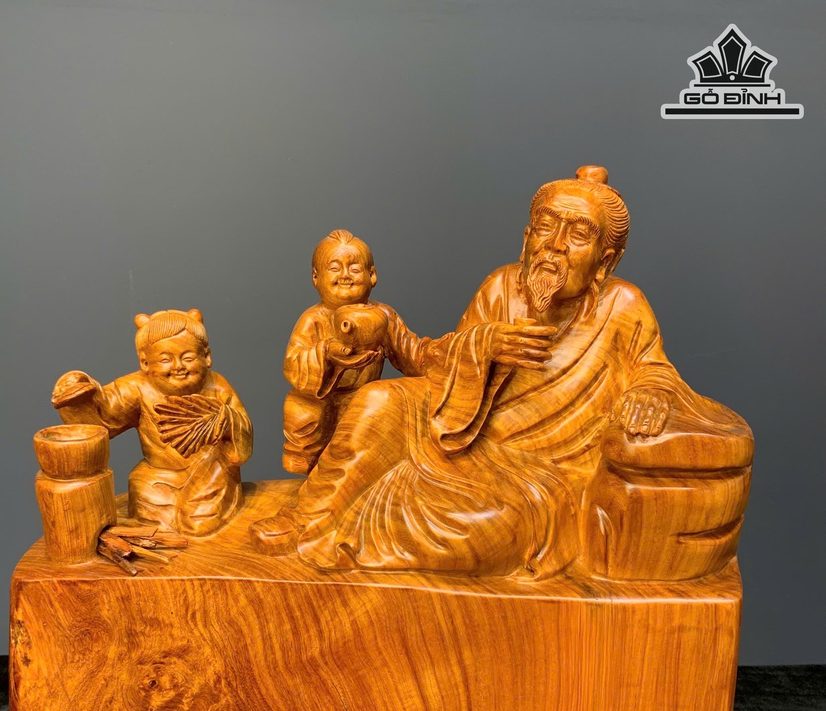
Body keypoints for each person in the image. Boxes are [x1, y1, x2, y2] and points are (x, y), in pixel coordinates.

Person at [256, 166, 749, 577]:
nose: (555, 245)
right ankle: (309, 515)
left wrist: (650, 394)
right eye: (545, 227)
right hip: (467, 430)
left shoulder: (623, 306)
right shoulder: (501, 288)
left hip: (539, 469)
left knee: (486, 531)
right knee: (378, 400)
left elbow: (654, 371)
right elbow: (440, 365)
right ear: (526, 237)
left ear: (606, 259)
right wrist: (484, 345)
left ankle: (350, 529)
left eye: (578, 235)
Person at [52, 308, 252, 537]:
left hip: (209, 472)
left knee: (198, 525)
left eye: (188, 357)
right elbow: (105, 413)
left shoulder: (216, 385)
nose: (178, 366)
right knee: (149, 515)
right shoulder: (138, 387)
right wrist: (81, 396)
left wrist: (224, 419)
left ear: (206, 356)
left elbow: (242, 427)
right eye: (165, 359)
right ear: (145, 362)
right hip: (157, 473)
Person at [282, 229, 388, 475]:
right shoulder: (313, 319)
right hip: (322, 400)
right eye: (334, 268)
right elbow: (293, 362)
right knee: (301, 409)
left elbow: (411, 351)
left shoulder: (383, 317)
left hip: (362, 399)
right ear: (316, 277)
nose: (345, 275)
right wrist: (325, 352)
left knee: (382, 412)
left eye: (354, 268)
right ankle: (308, 474)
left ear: (372, 275)